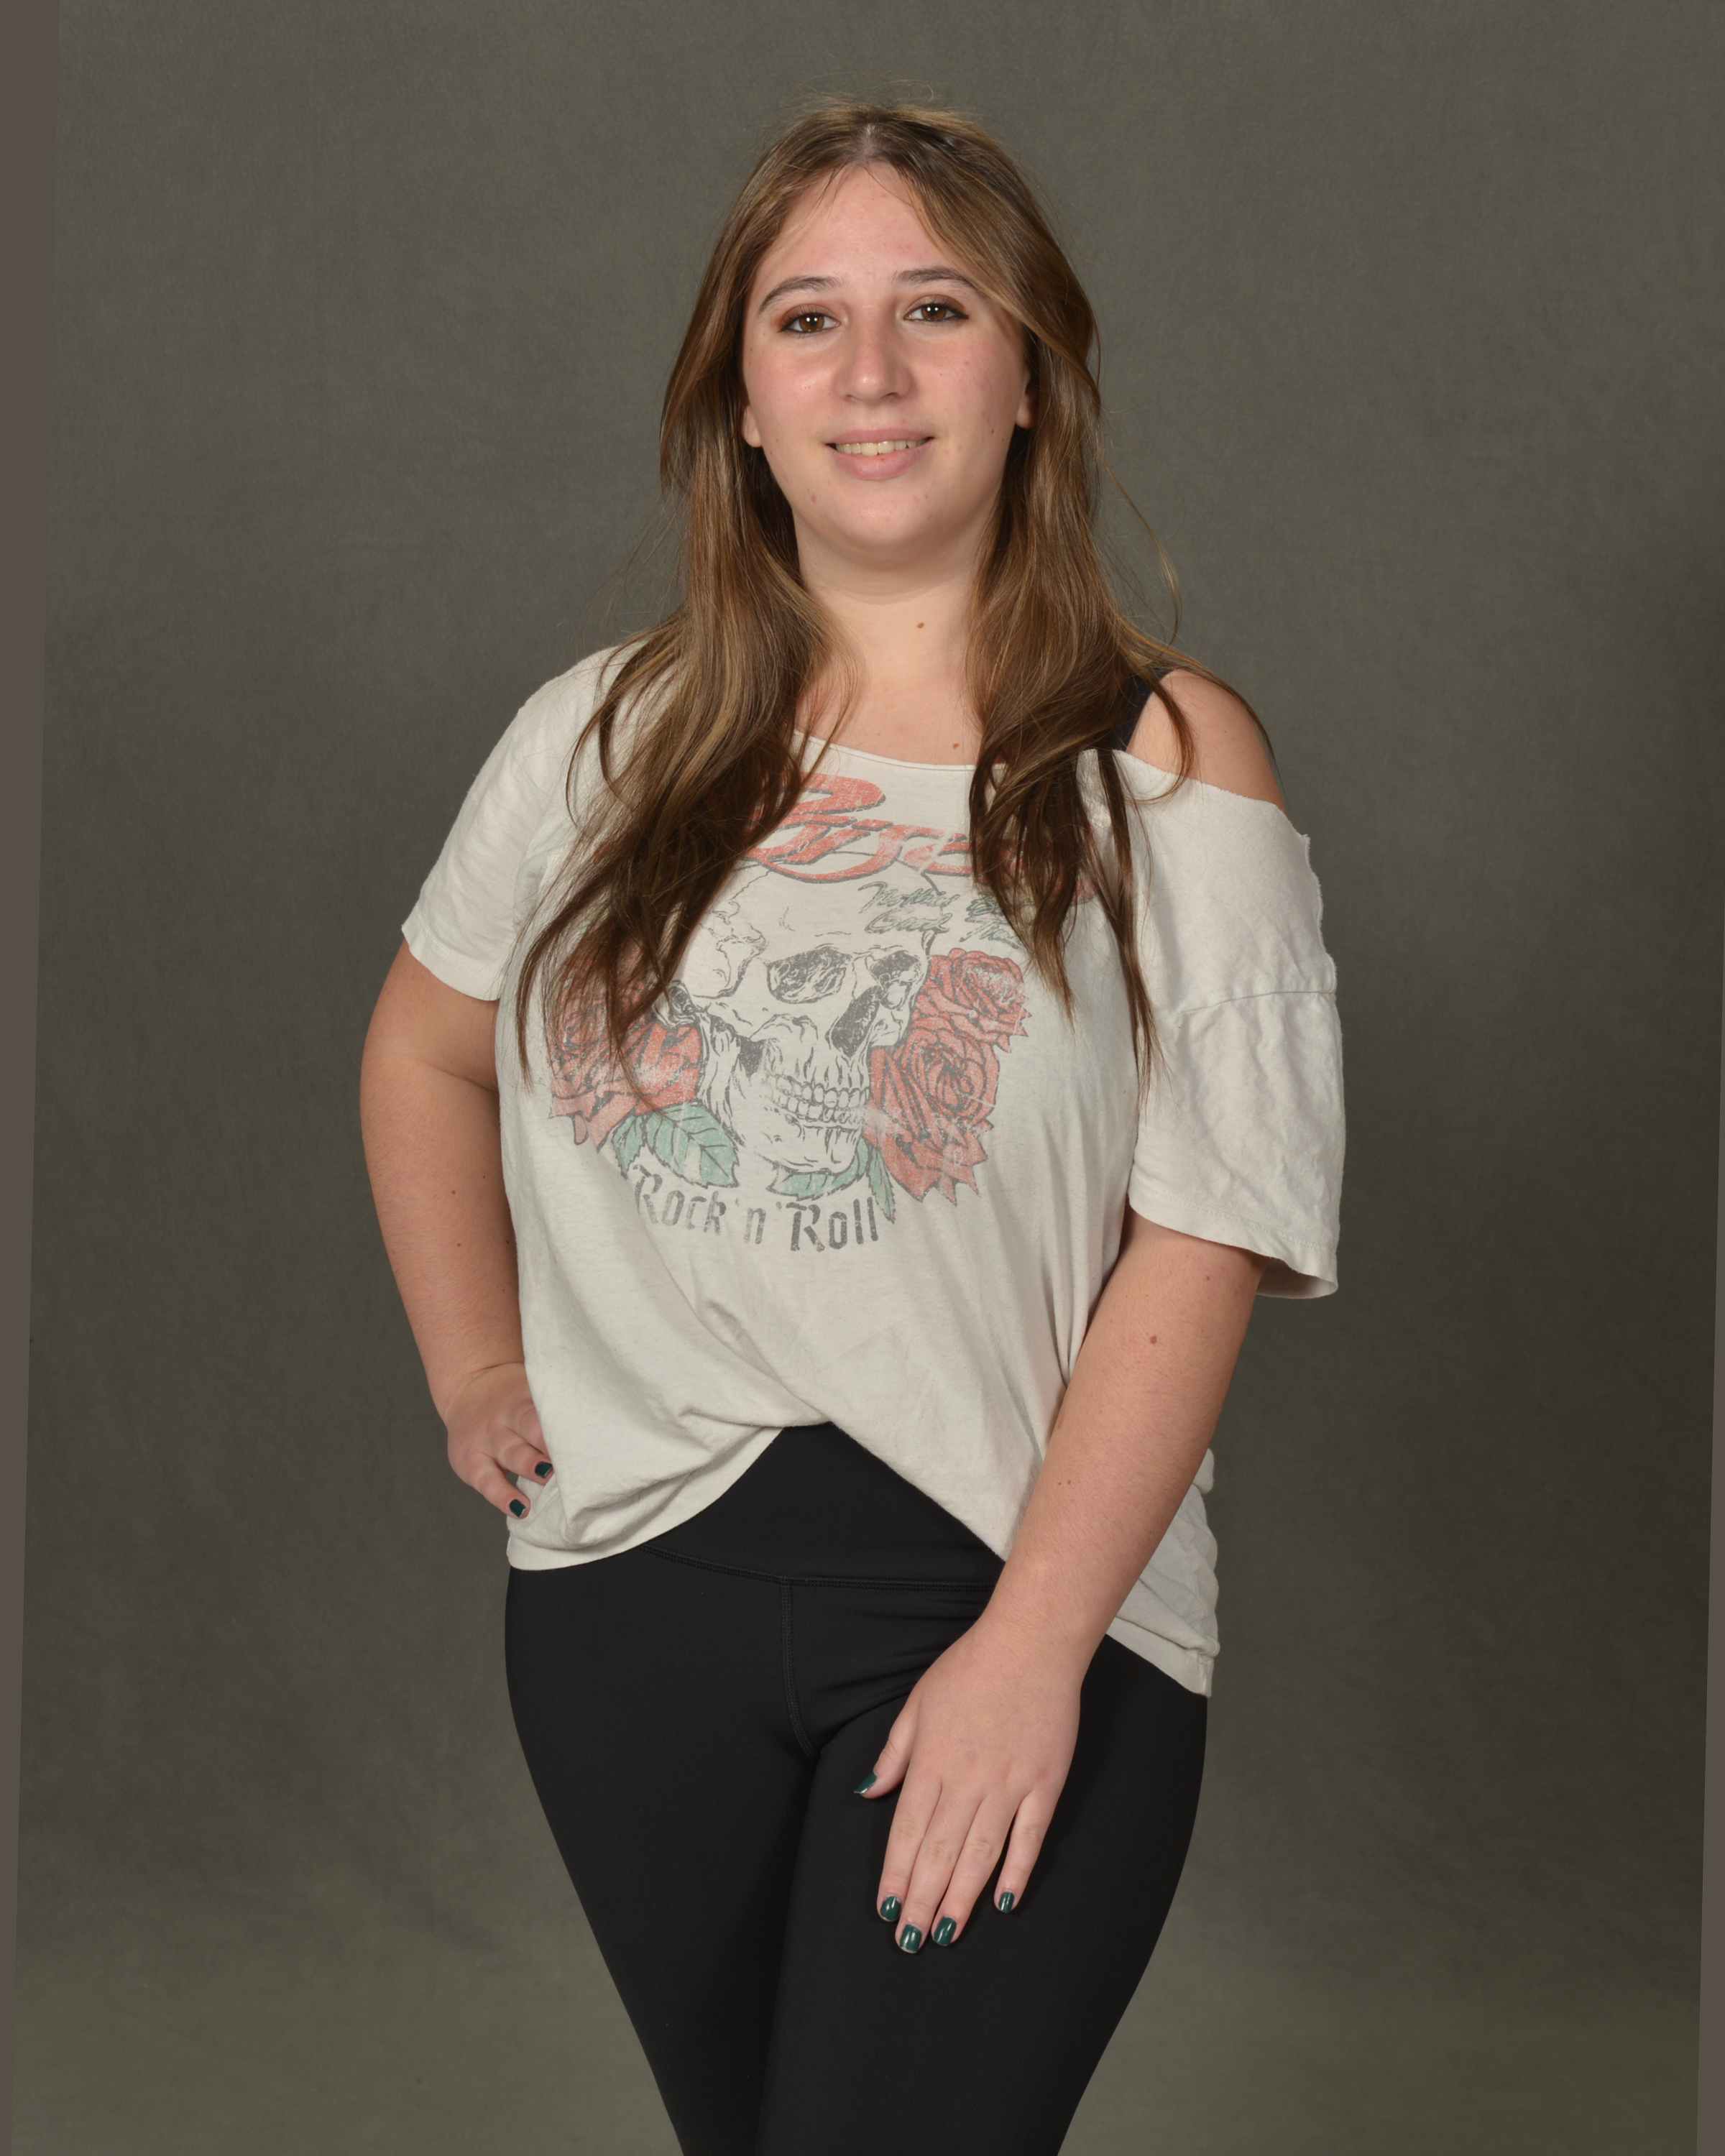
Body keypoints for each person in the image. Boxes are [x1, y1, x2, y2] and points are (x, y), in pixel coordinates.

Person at [359, 99, 1343, 2156]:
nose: (870, 372)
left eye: (936, 309)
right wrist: (475, 1368)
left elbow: (1212, 1225)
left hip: (1008, 1592)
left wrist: (1031, 1649)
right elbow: (425, 1054)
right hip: (628, 1613)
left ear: (1031, 375)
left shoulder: (1165, 759)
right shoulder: (596, 740)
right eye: (807, 319)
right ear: (741, 397)